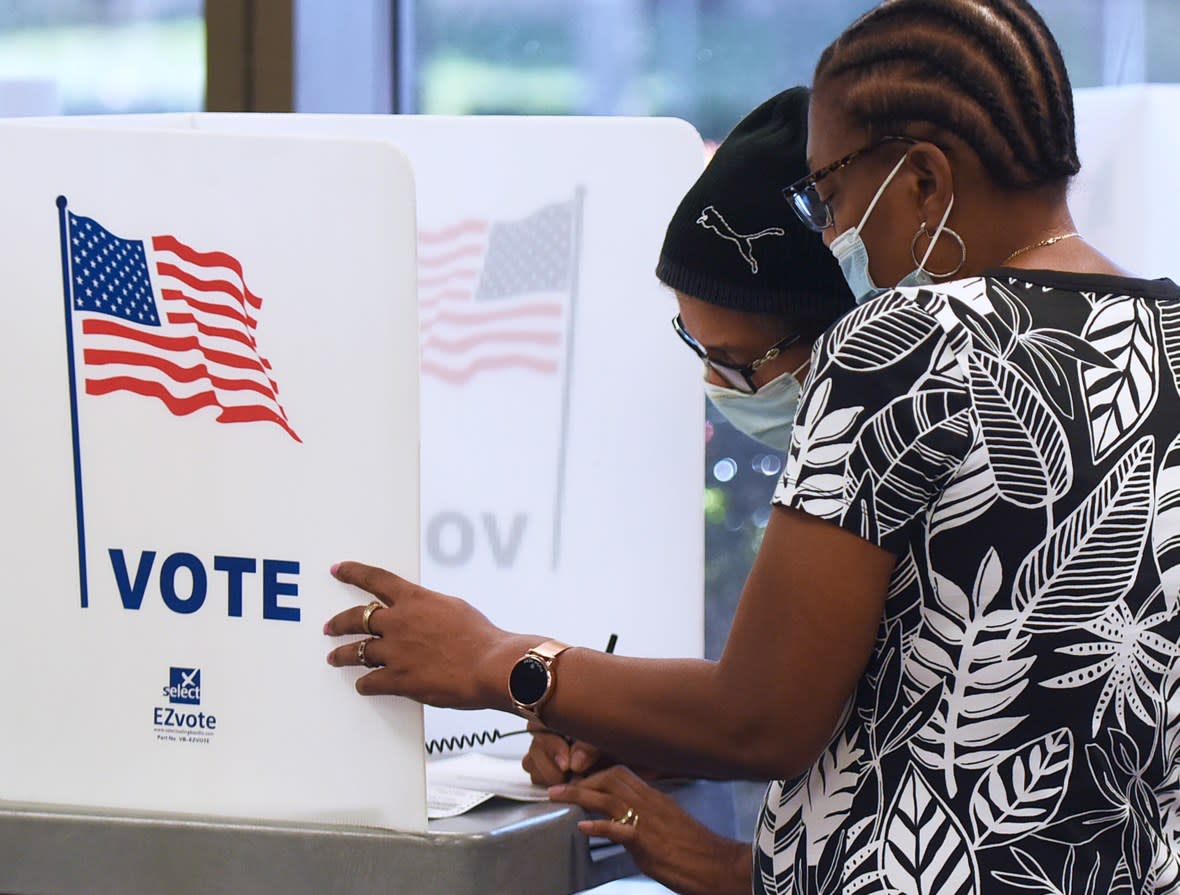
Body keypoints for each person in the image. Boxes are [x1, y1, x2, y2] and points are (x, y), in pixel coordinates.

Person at [324, 2, 1180, 892]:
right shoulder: (1166, 336)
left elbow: (762, 716)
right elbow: (969, 681)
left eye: (832, 194)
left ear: (924, 179)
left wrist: (501, 659)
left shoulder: (906, 339)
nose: (834, 231)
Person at [521, 87, 855, 895]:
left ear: (852, 332)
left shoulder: (907, 454)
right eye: (693, 345)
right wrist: (656, 732)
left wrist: (504, 662)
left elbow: (765, 716)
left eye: (738, 360)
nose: (716, 383)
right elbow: (839, 707)